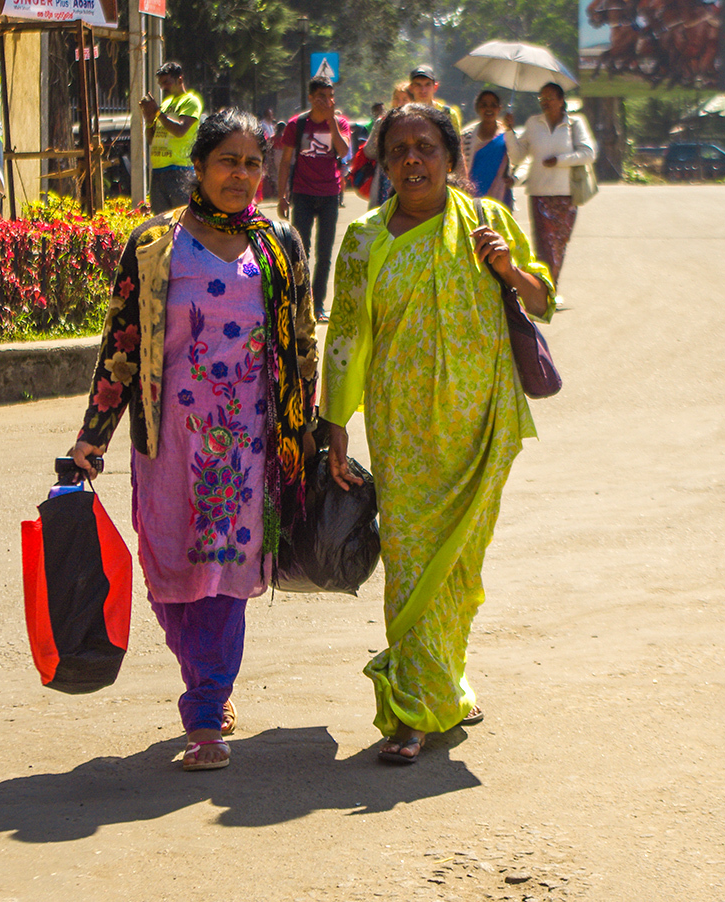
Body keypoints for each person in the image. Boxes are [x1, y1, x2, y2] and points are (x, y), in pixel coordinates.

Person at [70, 109, 319, 772]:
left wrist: (305, 435)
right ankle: (203, 676)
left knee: (225, 578)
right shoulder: (157, 244)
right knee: (170, 573)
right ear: (199, 170)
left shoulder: (279, 245)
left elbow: (302, 348)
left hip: (246, 450)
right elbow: (122, 342)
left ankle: (207, 712)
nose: (240, 175)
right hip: (166, 448)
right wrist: (94, 434)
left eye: (251, 163)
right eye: (227, 162)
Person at [321, 104, 556, 765]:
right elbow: (345, 335)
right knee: (412, 561)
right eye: (399, 151)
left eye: (426, 147)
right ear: (384, 164)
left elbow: (542, 301)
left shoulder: (487, 223)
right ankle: (415, 712)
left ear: (453, 159)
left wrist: (508, 268)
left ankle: (444, 679)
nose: (412, 159)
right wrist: (335, 422)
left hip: (481, 425)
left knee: (459, 568)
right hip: (402, 431)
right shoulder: (365, 238)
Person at [276, 76, 352, 322]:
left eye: (330, 96)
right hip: (303, 194)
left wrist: (331, 121)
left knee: (325, 252)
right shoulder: (296, 125)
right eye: (321, 96)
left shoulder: (340, 123)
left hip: (330, 194)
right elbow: (286, 162)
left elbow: (343, 152)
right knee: (300, 251)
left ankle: (318, 305)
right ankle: (300, 303)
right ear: (310, 97)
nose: (326, 101)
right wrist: (282, 196)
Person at [506, 81, 596, 287]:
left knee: (559, 244)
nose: (545, 102)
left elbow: (588, 153)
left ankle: (551, 285)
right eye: (542, 99)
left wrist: (560, 160)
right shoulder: (533, 123)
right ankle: (545, 289)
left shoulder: (575, 123)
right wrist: (509, 132)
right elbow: (518, 155)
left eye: (549, 98)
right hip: (539, 193)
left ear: (561, 100)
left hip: (566, 194)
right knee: (544, 244)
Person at [140, 62, 204, 215]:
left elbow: (181, 130)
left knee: (182, 219)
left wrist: (158, 113)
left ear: (180, 80)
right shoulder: (165, 104)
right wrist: (149, 121)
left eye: (167, 82)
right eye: (161, 84)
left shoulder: (190, 101)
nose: (163, 87)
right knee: (160, 222)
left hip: (180, 170)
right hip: (158, 170)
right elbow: (151, 140)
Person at [461, 89, 516, 208]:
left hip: (501, 196)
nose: (489, 109)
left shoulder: (507, 134)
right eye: (484, 105)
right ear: (477, 108)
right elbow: (460, 166)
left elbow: (518, 158)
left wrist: (515, 178)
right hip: (472, 196)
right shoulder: (467, 136)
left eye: (493, 105)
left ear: (499, 108)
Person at [362, 82, 413, 210]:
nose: (399, 103)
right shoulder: (383, 122)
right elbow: (369, 151)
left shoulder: (419, 123)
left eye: (404, 99)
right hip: (386, 178)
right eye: (397, 99)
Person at [408, 65, 462, 131]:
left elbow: (457, 140)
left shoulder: (448, 114)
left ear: (435, 87)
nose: (423, 90)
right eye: (418, 85)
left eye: (427, 85)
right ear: (411, 88)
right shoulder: (404, 115)